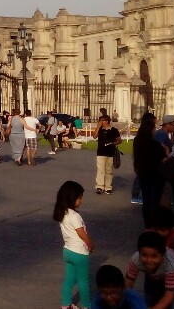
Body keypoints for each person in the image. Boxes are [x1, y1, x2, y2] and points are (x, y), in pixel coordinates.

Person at [54, 180, 92, 309]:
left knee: (69, 279)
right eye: (80, 198)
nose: (82, 201)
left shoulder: (63, 213)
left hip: (67, 251)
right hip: (79, 253)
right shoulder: (75, 216)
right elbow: (81, 233)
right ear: (71, 198)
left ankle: (66, 305)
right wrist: (90, 244)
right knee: (83, 281)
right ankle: (87, 306)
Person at [125, 231, 174, 309]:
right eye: (144, 255)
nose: (149, 260)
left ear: (163, 256)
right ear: (139, 253)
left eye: (154, 256)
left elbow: (169, 296)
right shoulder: (135, 260)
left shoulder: (171, 264)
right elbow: (127, 286)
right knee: (148, 302)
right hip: (151, 275)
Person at [133, 113, 167, 228]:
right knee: (154, 202)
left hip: (143, 173)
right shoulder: (154, 145)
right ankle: (154, 224)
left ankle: (148, 224)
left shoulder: (137, 142)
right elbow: (163, 158)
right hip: (155, 175)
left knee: (146, 201)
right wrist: (166, 151)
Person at [95, 114, 122, 194]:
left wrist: (113, 143)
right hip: (101, 152)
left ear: (106, 121)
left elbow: (119, 140)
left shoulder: (114, 130)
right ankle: (100, 186)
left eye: (101, 121)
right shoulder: (100, 129)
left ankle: (108, 187)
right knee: (100, 170)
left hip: (110, 152)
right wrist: (98, 127)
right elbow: (94, 136)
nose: (100, 122)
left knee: (109, 170)